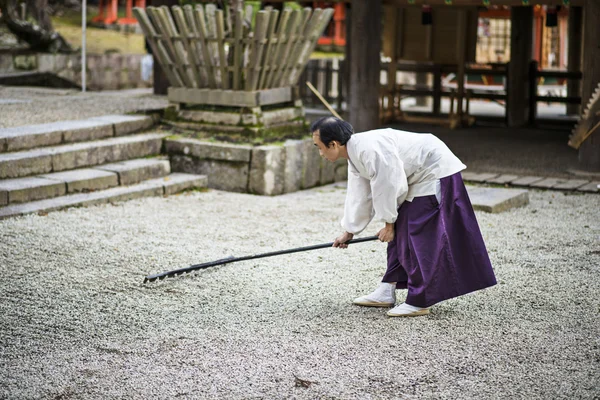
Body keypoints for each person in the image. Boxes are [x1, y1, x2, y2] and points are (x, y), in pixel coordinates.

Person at [311, 117, 497, 317]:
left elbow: (388, 185)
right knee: (400, 230)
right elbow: (361, 194)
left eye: (319, 148)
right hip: (416, 175)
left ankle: (420, 299)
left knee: (417, 232)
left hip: (433, 171)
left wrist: (389, 225)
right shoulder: (355, 153)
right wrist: (349, 231)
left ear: (334, 144)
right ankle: (387, 288)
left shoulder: (368, 149)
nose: (320, 153)